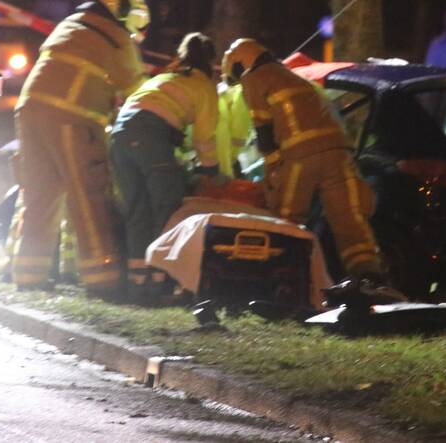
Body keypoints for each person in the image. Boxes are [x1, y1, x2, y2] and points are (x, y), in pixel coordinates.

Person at [12, 0, 149, 298]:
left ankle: (28, 274)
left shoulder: (70, 25)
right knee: (89, 197)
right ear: (122, 6)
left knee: (40, 196)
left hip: (29, 113)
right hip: (73, 118)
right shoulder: (115, 37)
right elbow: (138, 92)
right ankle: (103, 280)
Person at [222, 38, 385, 282]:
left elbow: (264, 133)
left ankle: (279, 275)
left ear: (240, 62)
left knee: (286, 216)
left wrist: (273, 172)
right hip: (339, 153)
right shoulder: (292, 76)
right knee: (348, 219)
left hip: (301, 156)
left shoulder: (254, 78)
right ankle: (369, 275)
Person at [110, 32, 220, 303]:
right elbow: (204, 137)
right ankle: (160, 284)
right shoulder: (204, 85)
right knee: (167, 207)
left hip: (120, 135)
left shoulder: (164, 77)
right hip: (150, 134)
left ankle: (137, 285)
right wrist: (210, 170)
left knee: (137, 210)